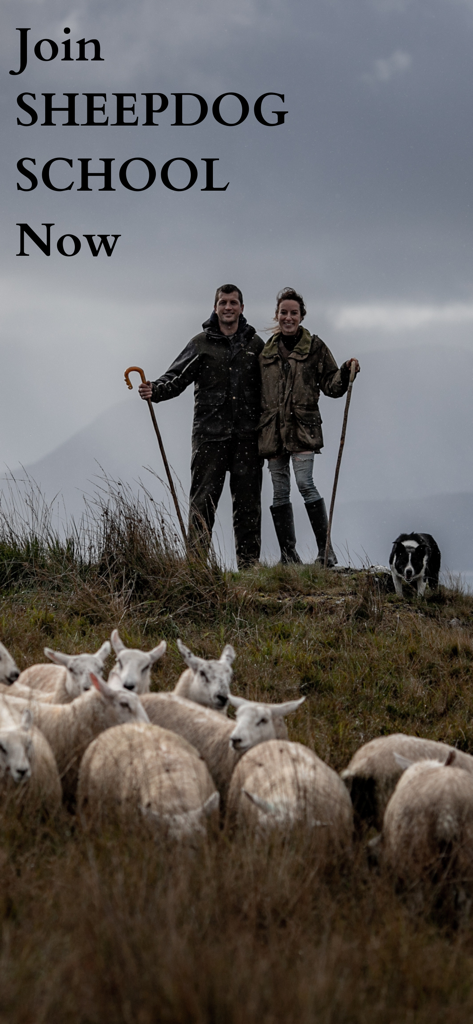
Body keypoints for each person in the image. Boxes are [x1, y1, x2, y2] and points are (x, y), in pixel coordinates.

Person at [138, 285, 264, 568]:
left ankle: (249, 566)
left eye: (233, 302)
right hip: (210, 437)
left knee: (248, 505)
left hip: (248, 437)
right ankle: (196, 566)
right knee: (202, 504)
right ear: (215, 307)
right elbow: (176, 377)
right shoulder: (201, 343)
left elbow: (270, 386)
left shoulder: (255, 345)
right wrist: (155, 390)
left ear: (242, 308)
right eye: (223, 302)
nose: (228, 307)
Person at [258, 287, 360, 566]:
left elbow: (331, 385)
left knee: (305, 484)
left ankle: (325, 552)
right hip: (272, 431)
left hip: (303, 429)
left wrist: (345, 372)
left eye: (293, 313)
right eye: (284, 312)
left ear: (301, 316)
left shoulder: (315, 347)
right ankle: (288, 556)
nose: (288, 317)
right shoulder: (264, 352)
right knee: (280, 491)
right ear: (277, 315)